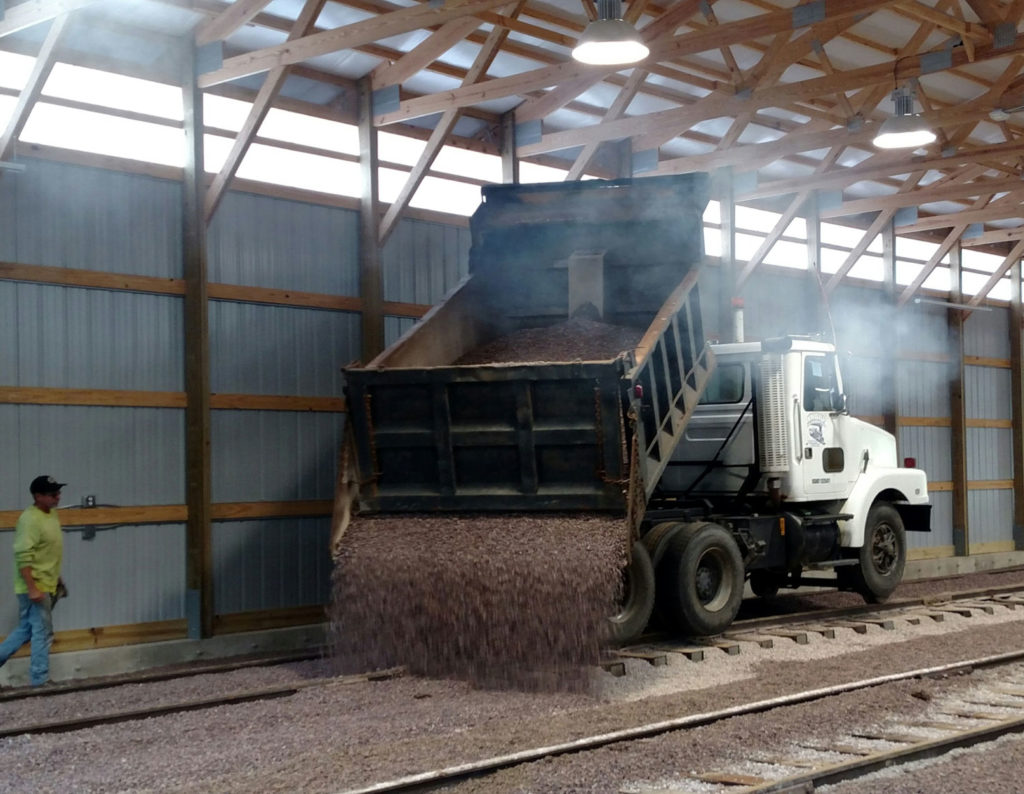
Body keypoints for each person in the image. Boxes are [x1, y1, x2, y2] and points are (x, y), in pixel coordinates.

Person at [0, 475, 67, 687]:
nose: (58, 496)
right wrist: (32, 588)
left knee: (27, 630)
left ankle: (39, 678)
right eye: (52, 494)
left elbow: (48, 553)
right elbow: (23, 556)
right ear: (38, 496)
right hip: (36, 586)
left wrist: (56, 578)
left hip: (46, 583)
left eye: (58, 492)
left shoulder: (51, 515)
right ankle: (40, 680)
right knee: (42, 633)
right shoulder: (30, 520)